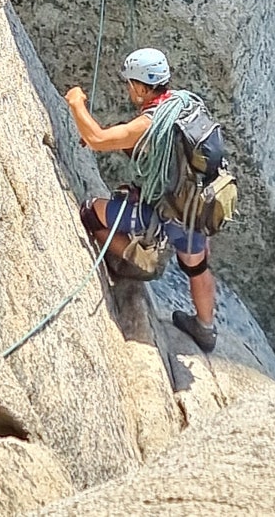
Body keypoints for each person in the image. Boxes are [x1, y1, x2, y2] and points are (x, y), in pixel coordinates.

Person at [66, 47, 218, 353]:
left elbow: (97, 139)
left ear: (139, 86)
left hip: (165, 211)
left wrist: (76, 103)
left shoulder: (149, 123)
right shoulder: (184, 103)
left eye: (129, 83)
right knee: (197, 267)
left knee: (92, 213)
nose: (127, 88)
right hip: (196, 208)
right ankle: (205, 329)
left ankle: (138, 263)